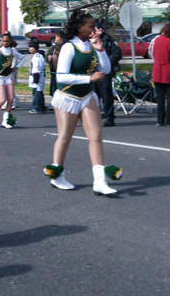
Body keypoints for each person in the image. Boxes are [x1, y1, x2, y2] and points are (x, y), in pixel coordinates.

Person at [43, 10, 119, 195]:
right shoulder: (69, 47)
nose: (95, 29)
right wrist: (89, 78)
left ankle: (99, 182)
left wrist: (100, 50)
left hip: (87, 96)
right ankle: (57, 176)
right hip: (67, 97)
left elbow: (106, 69)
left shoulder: (92, 46)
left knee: (96, 137)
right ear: (80, 27)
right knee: (65, 137)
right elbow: (62, 77)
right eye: (91, 26)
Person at [151, 23, 170, 127]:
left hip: (157, 71)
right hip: (168, 71)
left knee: (160, 98)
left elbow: (154, 54)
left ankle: (160, 120)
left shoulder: (157, 40)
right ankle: (169, 120)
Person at [93, 20, 122, 127]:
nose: (100, 29)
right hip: (93, 72)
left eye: (101, 27)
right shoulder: (89, 40)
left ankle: (109, 117)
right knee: (93, 96)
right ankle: (93, 117)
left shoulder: (108, 39)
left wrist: (105, 61)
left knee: (106, 95)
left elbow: (117, 54)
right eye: (98, 27)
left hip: (104, 72)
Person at [28, 39, 47, 114]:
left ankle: (37, 107)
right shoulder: (36, 56)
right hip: (37, 77)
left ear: (34, 48)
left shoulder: (37, 56)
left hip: (38, 77)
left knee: (37, 93)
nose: (29, 49)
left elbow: (37, 67)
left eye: (30, 48)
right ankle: (42, 107)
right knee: (38, 92)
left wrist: (36, 77)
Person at [48, 30, 65, 106]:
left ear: (59, 37)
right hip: (54, 69)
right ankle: (54, 103)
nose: (55, 39)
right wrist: (49, 58)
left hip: (60, 70)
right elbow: (48, 55)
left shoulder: (64, 46)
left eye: (56, 37)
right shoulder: (54, 47)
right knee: (54, 87)